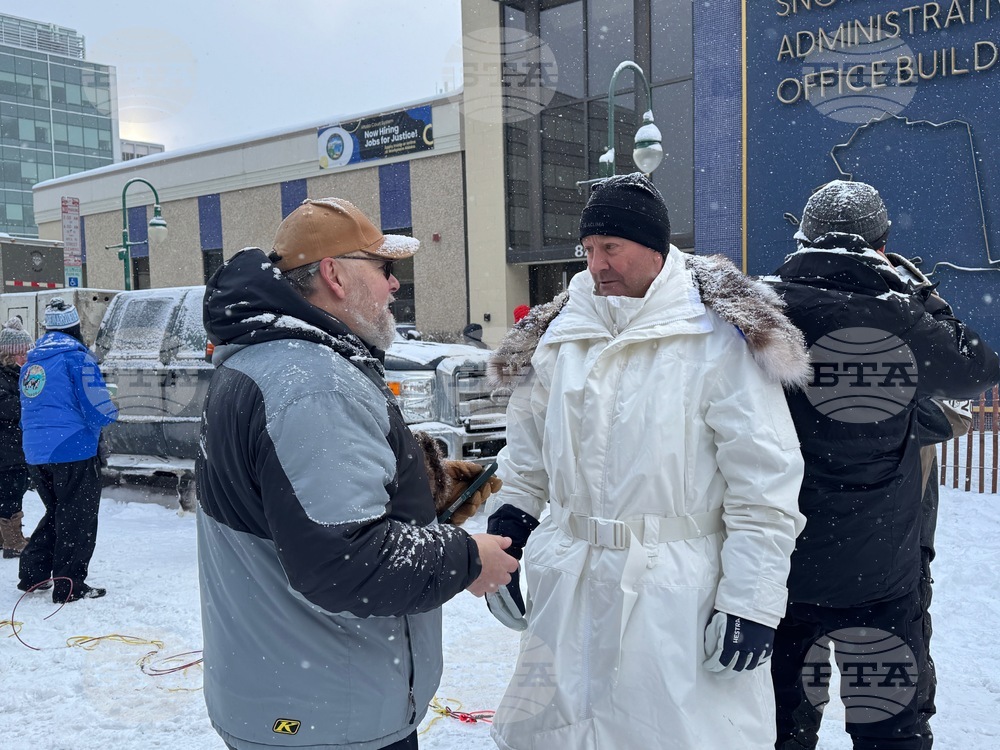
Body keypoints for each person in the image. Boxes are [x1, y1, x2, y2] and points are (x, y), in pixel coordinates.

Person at [483, 173, 809, 749]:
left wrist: (752, 600)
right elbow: (527, 459)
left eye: (611, 248)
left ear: (655, 249)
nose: (597, 265)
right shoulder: (559, 337)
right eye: (587, 251)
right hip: (573, 583)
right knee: (565, 733)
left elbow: (764, 482)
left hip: (676, 592)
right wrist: (509, 528)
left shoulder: (714, 339)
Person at [196, 197, 518, 750]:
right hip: (326, 715)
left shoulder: (269, 361)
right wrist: (467, 559)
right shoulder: (311, 382)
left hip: (290, 698)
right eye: (384, 269)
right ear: (334, 276)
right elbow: (344, 558)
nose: (395, 286)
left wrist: (428, 493)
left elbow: (299, 513)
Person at [765, 180, 1000, 750]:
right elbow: (977, 368)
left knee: (778, 727)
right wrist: (918, 292)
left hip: (781, 571)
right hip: (882, 573)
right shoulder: (897, 316)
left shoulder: (763, 311)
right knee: (889, 728)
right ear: (880, 246)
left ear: (803, 238)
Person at [17, 298, 118, 602]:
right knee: (78, 518)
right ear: (75, 326)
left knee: (59, 512)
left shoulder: (32, 363)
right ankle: (69, 585)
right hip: (72, 448)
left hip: (36, 452)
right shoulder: (78, 359)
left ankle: (33, 574)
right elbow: (97, 409)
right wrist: (112, 410)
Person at [0, 317, 34, 558]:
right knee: (10, 491)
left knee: (13, 489)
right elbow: (6, 407)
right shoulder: (4, 376)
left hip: (14, 445)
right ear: (9, 354)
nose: (27, 358)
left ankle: (7, 537)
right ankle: (12, 541)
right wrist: (30, 401)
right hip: (6, 447)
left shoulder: (18, 374)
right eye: (23, 353)